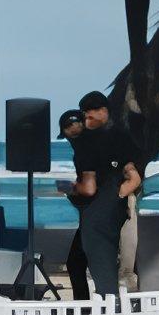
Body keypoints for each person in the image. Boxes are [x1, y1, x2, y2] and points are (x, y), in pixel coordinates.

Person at [68, 90, 142, 295]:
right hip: (96, 211)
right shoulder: (91, 138)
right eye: (85, 117)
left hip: (113, 210)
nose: (87, 121)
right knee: (76, 262)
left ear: (103, 111)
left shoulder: (118, 137)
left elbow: (134, 178)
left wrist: (115, 196)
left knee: (117, 266)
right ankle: (85, 311)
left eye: (90, 116)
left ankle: (107, 311)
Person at [54, 109, 97, 299]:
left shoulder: (86, 151)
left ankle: (87, 309)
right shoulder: (92, 146)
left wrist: (70, 188)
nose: (69, 140)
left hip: (98, 217)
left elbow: (89, 190)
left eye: (68, 135)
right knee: (79, 263)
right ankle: (87, 308)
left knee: (77, 263)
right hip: (96, 215)